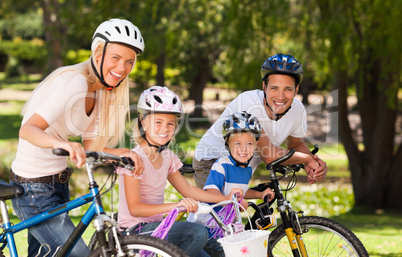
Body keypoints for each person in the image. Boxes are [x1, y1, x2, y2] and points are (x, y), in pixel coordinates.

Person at [9, 18, 145, 257]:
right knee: (79, 254)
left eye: (129, 62)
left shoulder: (101, 91)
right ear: (98, 51)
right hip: (32, 189)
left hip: (58, 184)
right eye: (116, 58)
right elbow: (28, 130)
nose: (123, 68)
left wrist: (124, 154)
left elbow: (91, 146)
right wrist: (62, 143)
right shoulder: (74, 82)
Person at [116, 86, 244, 257]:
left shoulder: (167, 156)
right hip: (134, 231)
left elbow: (188, 190)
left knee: (215, 249)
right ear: (143, 122)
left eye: (170, 124)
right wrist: (176, 206)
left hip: (159, 227)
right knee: (197, 233)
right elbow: (135, 208)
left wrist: (226, 199)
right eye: (158, 122)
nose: (165, 128)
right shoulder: (134, 159)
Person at [193, 53, 328, 189]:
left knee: (248, 206)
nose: (280, 97)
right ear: (264, 86)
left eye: (288, 89)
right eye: (274, 88)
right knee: (220, 208)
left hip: (242, 167)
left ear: (296, 89)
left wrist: (314, 164)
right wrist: (307, 159)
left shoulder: (298, 110)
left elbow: (296, 144)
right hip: (211, 162)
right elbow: (268, 155)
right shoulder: (248, 104)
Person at [187, 112, 275, 255]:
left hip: (225, 228)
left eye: (249, 144)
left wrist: (260, 194)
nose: (243, 149)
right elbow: (210, 192)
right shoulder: (222, 165)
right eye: (238, 143)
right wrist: (233, 200)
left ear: (256, 145)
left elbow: (241, 191)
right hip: (207, 225)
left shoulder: (246, 170)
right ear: (228, 143)